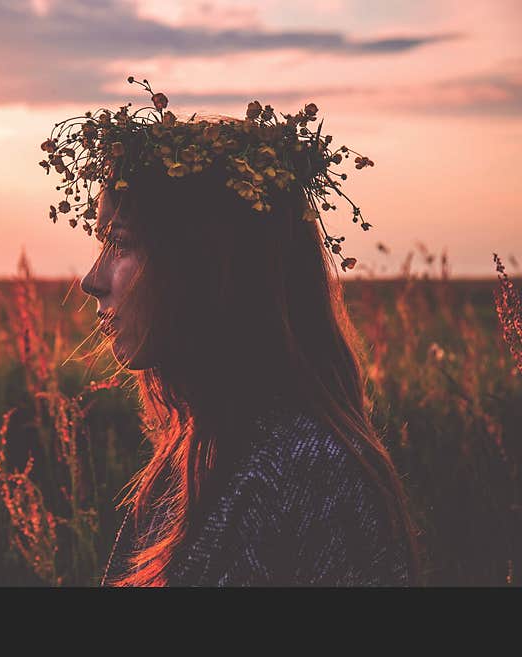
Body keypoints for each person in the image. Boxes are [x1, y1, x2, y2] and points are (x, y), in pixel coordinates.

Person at [39, 77, 424, 586]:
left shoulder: (306, 475)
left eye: (122, 243)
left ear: (206, 268)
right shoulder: (199, 454)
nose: (91, 280)